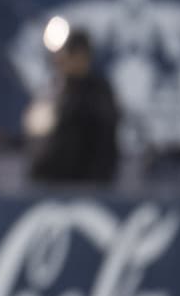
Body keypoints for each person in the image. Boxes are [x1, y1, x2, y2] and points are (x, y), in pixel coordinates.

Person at [28, 29, 119, 185]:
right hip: (54, 183)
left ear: (82, 57)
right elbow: (40, 135)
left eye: (68, 56)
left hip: (88, 184)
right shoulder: (57, 89)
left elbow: (102, 145)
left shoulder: (99, 92)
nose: (61, 62)